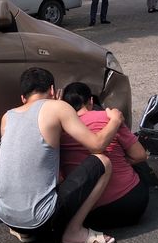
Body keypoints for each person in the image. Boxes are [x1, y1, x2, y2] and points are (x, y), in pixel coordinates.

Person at [0, 67, 124, 243]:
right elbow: (97, 145)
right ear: (53, 90)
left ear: (23, 98)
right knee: (102, 161)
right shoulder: (57, 107)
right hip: (40, 219)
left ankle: (24, 231)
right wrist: (115, 121)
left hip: (5, 216)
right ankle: (73, 233)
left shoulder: (7, 117)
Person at [59, 82, 149, 229]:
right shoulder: (108, 117)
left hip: (87, 213)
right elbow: (140, 155)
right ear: (91, 101)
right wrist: (120, 161)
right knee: (142, 166)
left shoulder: (60, 128)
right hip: (130, 205)